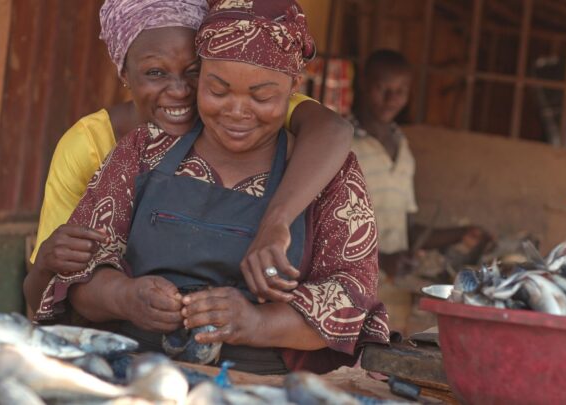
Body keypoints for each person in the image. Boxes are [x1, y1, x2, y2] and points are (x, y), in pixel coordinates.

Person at [30, 0, 389, 375]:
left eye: (262, 97)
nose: (237, 111)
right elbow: (77, 276)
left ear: (293, 87)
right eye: (217, 91)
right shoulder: (142, 150)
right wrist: (125, 297)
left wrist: (256, 323)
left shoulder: (330, 174)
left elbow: (351, 301)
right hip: (137, 375)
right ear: (200, 78)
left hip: (263, 387)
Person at [350, 49, 490, 278]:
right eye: (382, 88)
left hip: (390, 288)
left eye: (401, 91)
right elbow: (323, 225)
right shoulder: (343, 143)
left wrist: (461, 233)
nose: (391, 99)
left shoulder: (403, 150)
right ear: (363, 84)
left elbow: (408, 230)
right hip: (348, 285)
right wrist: (382, 260)